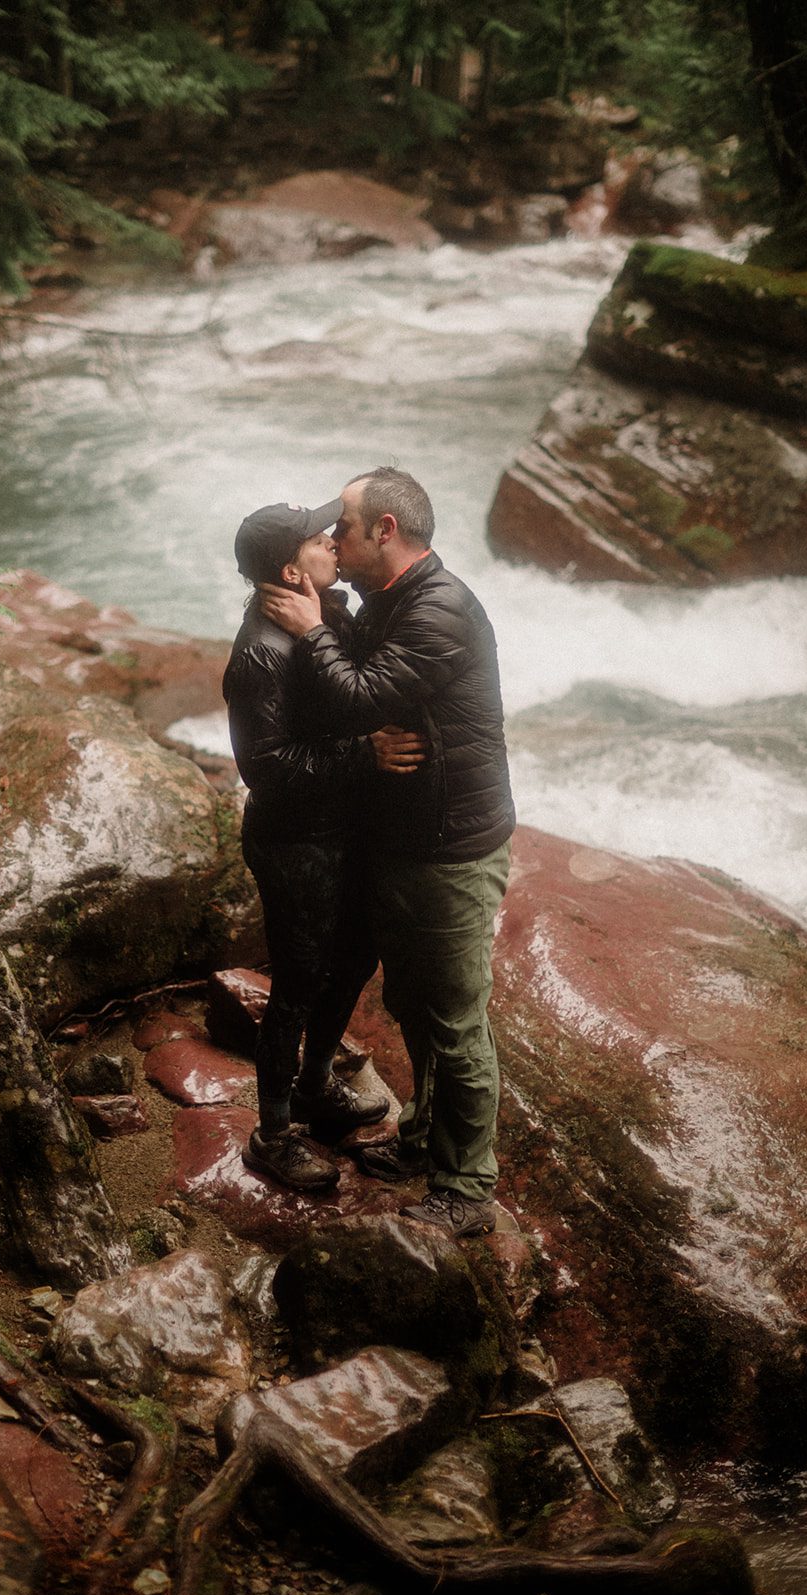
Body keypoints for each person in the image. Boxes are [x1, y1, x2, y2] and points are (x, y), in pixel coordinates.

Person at [259, 467, 515, 1239]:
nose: (333, 537)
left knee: (455, 1019)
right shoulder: (390, 600)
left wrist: (310, 629)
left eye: (343, 524)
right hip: (409, 841)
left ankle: (467, 1188)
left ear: (385, 532)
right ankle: (423, 1142)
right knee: (414, 1005)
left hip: (449, 848)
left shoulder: (439, 610)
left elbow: (363, 697)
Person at [223, 499, 394, 1192]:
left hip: (341, 828)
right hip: (294, 839)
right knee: (296, 983)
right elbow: (266, 768)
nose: (332, 538)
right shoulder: (260, 651)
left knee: (354, 956)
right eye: (316, 537)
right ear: (293, 569)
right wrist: (367, 754)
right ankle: (271, 1134)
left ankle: (317, 1084)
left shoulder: (325, 612)